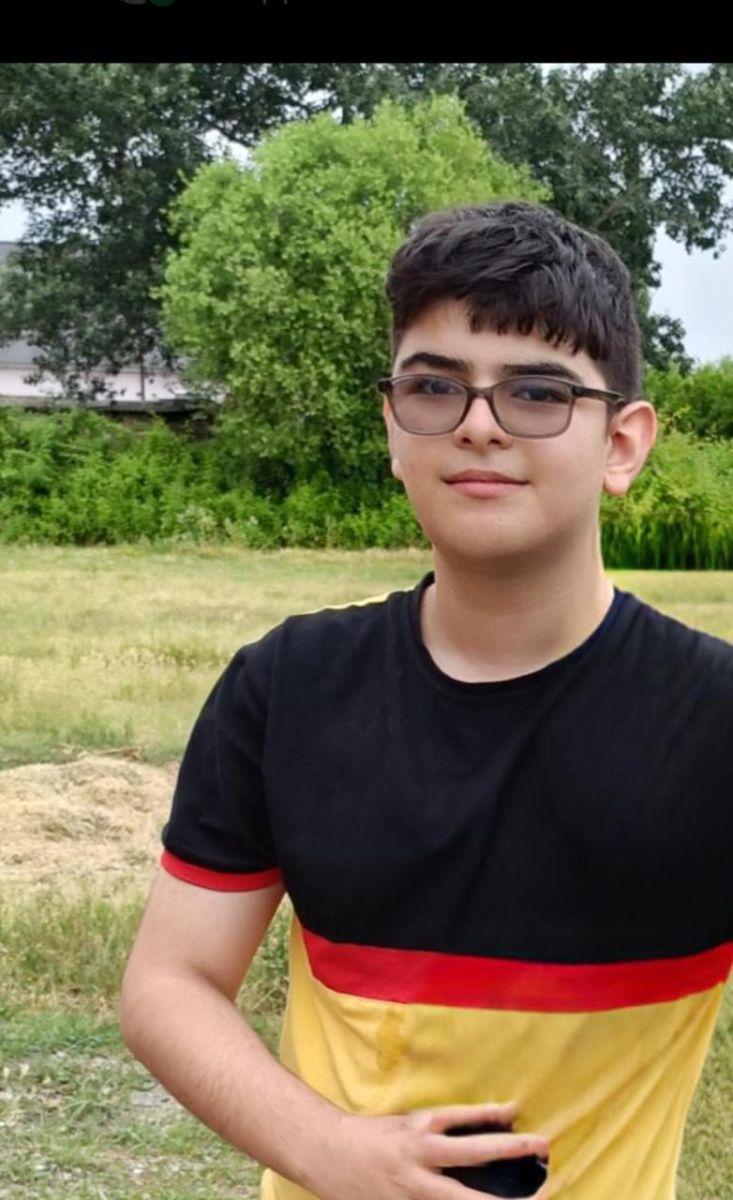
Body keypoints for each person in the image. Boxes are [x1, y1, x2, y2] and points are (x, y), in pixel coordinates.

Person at [120, 200, 733, 1200]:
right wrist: (329, 1150)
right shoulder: (287, 686)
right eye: (434, 387)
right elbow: (167, 983)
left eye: (536, 392)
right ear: (393, 428)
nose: (478, 425)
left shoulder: (711, 723)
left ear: (621, 444)